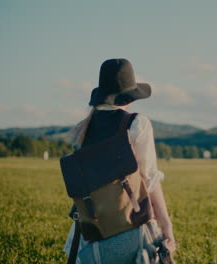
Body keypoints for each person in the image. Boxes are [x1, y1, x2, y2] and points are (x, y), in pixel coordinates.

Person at [63, 58, 176, 263]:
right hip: (129, 227)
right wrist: (167, 227)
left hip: (89, 232)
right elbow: (149, 182)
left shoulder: (82, 129)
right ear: (127, 96)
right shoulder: (137, 124)